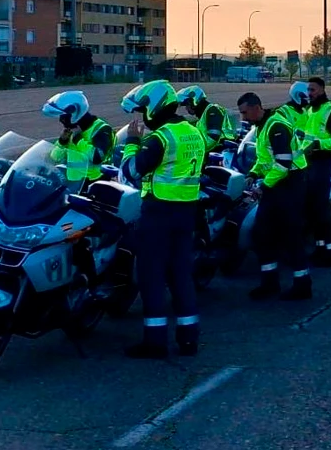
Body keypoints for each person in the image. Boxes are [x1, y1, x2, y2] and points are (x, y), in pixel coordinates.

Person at [119, 81, 207, 359]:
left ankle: (155, 342)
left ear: (155, 106)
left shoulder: (161, 138)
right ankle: (188, 339)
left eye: (144, 109)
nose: (143, 116)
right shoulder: (193, 132)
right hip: (187, 212)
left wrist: (132, 143)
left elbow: (131, 172)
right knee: (181, 275)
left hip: (159, 212)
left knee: (151, 277)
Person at [237, 92, 313, 301]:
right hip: (277, 184)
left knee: (290, 235)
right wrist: (252, 174)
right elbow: (265, 160)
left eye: (245, 112)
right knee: (262, 234)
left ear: (256, 107)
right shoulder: (262, 127)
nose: (243, 118)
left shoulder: (276, 127)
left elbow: (283, 164)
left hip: (290, 184)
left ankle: (302, 285)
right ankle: (269, 282)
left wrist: (263, 186)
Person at [305, 77, 331, 268]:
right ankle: (320, 249)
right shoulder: (311, 110)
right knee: (313, 211)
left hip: (323, 163)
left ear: (322, 89)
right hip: (309, 163)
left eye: (312, 89)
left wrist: (317, 144)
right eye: (308, 90)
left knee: (322, 210)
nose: (309, 93)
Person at [42, 90, 115, 184]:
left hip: (95, 183)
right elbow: (55, 157)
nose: (61, 120)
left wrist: (78, 139)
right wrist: (62, 141)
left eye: (64, 117)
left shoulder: (101, 129)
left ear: (75, 113)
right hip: (74, 184)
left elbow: (97, 157)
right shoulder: (73, 128)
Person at [176, 85, 235, 152]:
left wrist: (195, 149)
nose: (186, 108)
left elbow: (212, 138)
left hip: (223, 150)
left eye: (187, 105)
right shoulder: (202, 117)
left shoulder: (213, 110)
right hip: (216, 151)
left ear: (193, 102)